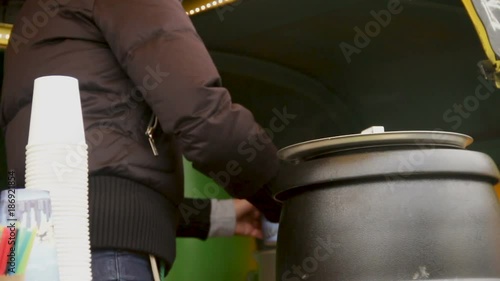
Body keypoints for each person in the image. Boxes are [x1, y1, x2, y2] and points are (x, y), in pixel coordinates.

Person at [0, 0, 282, 279]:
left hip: (27, 247)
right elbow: (204, 118)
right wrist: (287, 196)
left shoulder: (32, 20)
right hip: (107, 257)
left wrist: (223, 217)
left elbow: (82, 183)